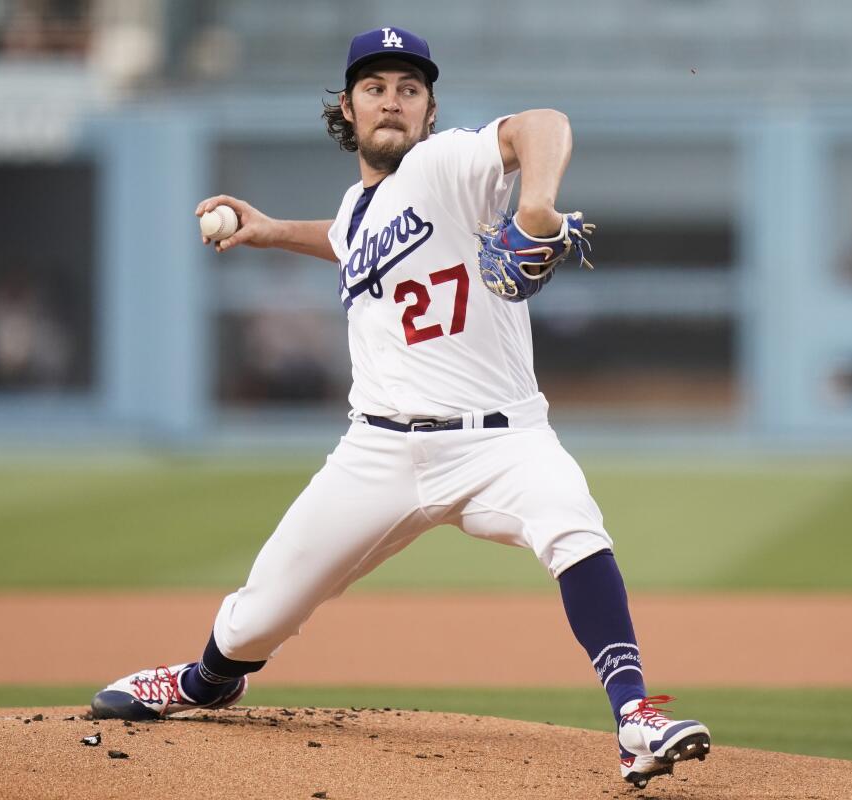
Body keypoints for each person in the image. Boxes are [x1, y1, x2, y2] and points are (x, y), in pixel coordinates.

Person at [91, 26, 711, 789]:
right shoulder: (359, 207)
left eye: (409, 89)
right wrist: (273, 230)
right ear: (346, 110)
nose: (393, 100)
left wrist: (538, 207)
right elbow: (353, 239)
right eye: (376, 88)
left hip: (502, 442)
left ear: (429, 110)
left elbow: (542, 123)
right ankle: (208, 681)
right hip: (377, 454)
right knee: (256, 617)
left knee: (574, 526)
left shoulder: (448, 164)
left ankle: (635, 717)